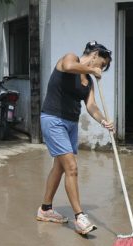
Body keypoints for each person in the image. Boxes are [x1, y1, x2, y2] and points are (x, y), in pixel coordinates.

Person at [36, 41, 114, 235]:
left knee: (60, 167)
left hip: (70, 124)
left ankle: (45, 209)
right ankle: (80, 217)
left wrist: (104, 121)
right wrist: (92, 69)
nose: (100, 69)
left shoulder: (87, 79)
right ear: (94, 54)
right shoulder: (70, 58)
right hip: (53, 119)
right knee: (72, 167)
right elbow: (70, 67)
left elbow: (91, 106)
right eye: (101, 64)